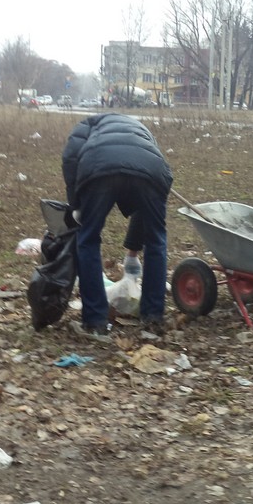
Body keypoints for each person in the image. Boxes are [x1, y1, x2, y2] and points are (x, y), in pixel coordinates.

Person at [62, 113, 173, 338]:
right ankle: (153, 315)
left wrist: (76, 205)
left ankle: (95, 321)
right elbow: (157, 172)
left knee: (88, 239)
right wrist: (133, 251)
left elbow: (71, 158)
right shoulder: (140, 127)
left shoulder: (87, 125)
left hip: (99, 166)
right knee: (156, 240)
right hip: (152, 170)